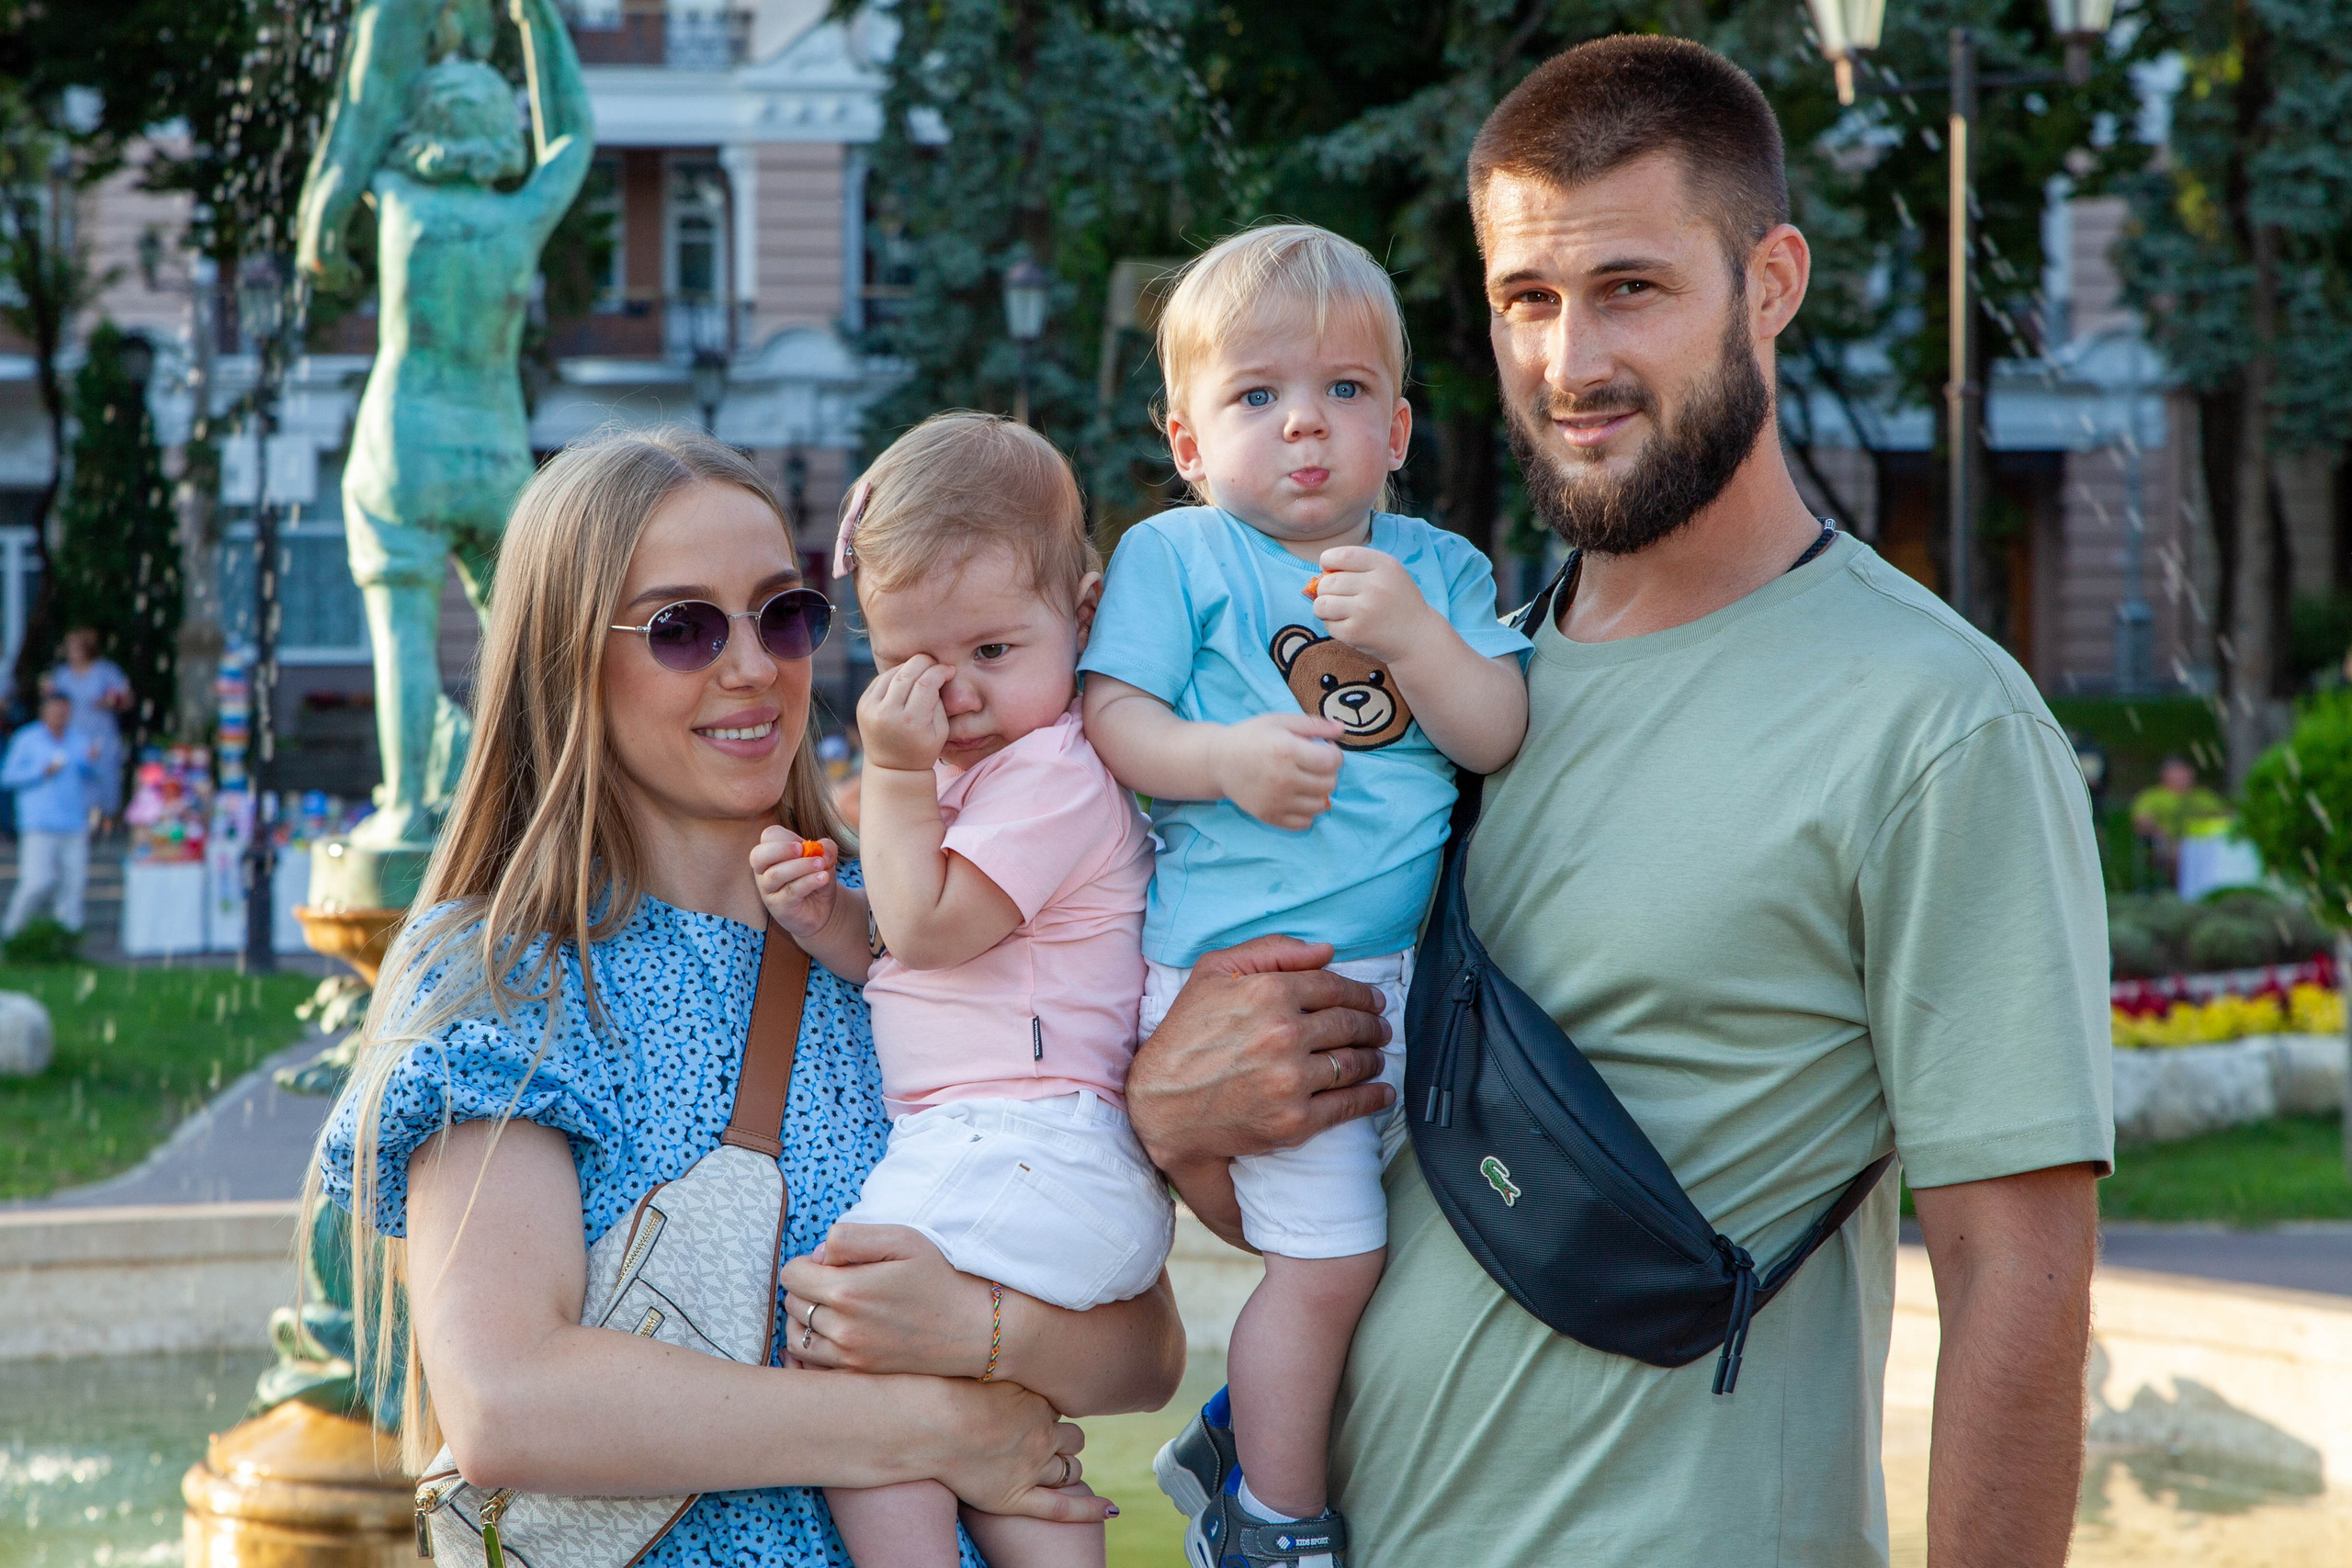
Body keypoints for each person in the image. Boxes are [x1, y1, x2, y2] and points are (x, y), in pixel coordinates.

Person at [1126, 37, 2110, 1568]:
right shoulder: (1471, 673)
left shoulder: (1933, 720)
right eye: (1530, 299)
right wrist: (1173, 1111)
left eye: (1632, 289)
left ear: (1768, 281)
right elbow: (1379, 1186)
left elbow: (2020, 1271)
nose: (1571, 362)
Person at [313, 427, 1183, 1566]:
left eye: (782, 615)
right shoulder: (509, 973)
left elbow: (1146, 1350)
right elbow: (507, 1399)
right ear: (567, 659)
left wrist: (972, 1331)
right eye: (683, 628)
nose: (751, 666)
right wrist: (932, 1423)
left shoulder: (910, 935)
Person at [1080, 225, 1529, 1564]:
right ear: (1188, 439)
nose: (1305, 426)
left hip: (1403, 977)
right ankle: (1272, 1516)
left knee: (1397, 1255)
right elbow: (1112, 714)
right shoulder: (1182, 558)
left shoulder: (1435, 568)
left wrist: (1413, 636)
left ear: (1396, 427)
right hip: (1253, 980)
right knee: (1326, 1265)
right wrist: (1219, 758)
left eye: (1342, 391)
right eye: (1257, 395)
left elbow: (1494, 726)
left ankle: (1235, 1435)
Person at [752, 412, 1168, 1568]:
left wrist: (887, 769)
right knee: (973, 1435)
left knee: (840, 1330)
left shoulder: (1055, 775)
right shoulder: (973, 777)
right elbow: (897, 956)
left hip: (1037, 1139)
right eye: (911, 667)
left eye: (992, 652)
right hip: (1000, 1142)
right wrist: (828, 918)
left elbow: (930, 929)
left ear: (1080, 619)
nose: (956, 698)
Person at [1, 690, 98, 935]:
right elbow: (7, 777)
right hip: (39, 824)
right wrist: (40, 771)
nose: (60, 716)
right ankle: (12, 933)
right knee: (36, 882)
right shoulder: (27, 739)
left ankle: (67, 940)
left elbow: (90, 776)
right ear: (44, 712)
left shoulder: (78, 740)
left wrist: (92, 762)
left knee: (73, 886)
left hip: (73, 823)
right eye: (56, 711)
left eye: (65, 711)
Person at [49, 627, 130, 824]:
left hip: (100, 733)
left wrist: (109, 701)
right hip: (71, 734)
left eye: (76, 648)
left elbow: (125, 699)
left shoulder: (105, 670)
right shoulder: (62, 674)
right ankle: (77, 820)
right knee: (74, 777)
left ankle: (107, 821)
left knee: (105, 777)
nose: (71, 653)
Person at [2130, 754, 2231, 885]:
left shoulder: (2204, 796)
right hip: (2164, 844)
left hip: (2203, 843)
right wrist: (2161, 833)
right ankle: (2184, 890)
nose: (2184, 777)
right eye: (2178, 773)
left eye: (2186, 772)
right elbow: (2141, 820)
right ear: (2165, 775)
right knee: (2180, 852)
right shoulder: (2152, 796)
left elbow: (2225, 816)